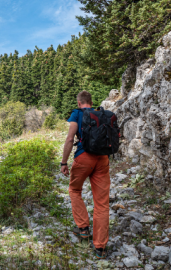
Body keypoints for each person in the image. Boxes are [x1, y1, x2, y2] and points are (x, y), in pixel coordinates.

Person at [60, 91, 110, 259]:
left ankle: (83, 229)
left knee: (74, 190)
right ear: (91, 101)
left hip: (83, 157)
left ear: (79, 103)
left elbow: (69, 139)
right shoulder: (100, 113)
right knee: (102, 203)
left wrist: (64, 162)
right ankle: (100, 248)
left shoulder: (77, 113)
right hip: (102, 159)